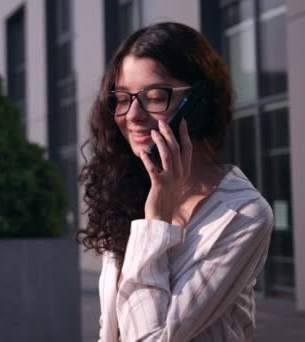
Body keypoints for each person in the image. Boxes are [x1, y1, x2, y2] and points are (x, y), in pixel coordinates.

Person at [78, 22, 274, 341]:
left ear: (197, 103)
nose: (132, 115)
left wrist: (156, 222)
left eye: (154, 97)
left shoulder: (243, 215)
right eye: (123, 98)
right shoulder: (131, 193)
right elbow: (111, 327)